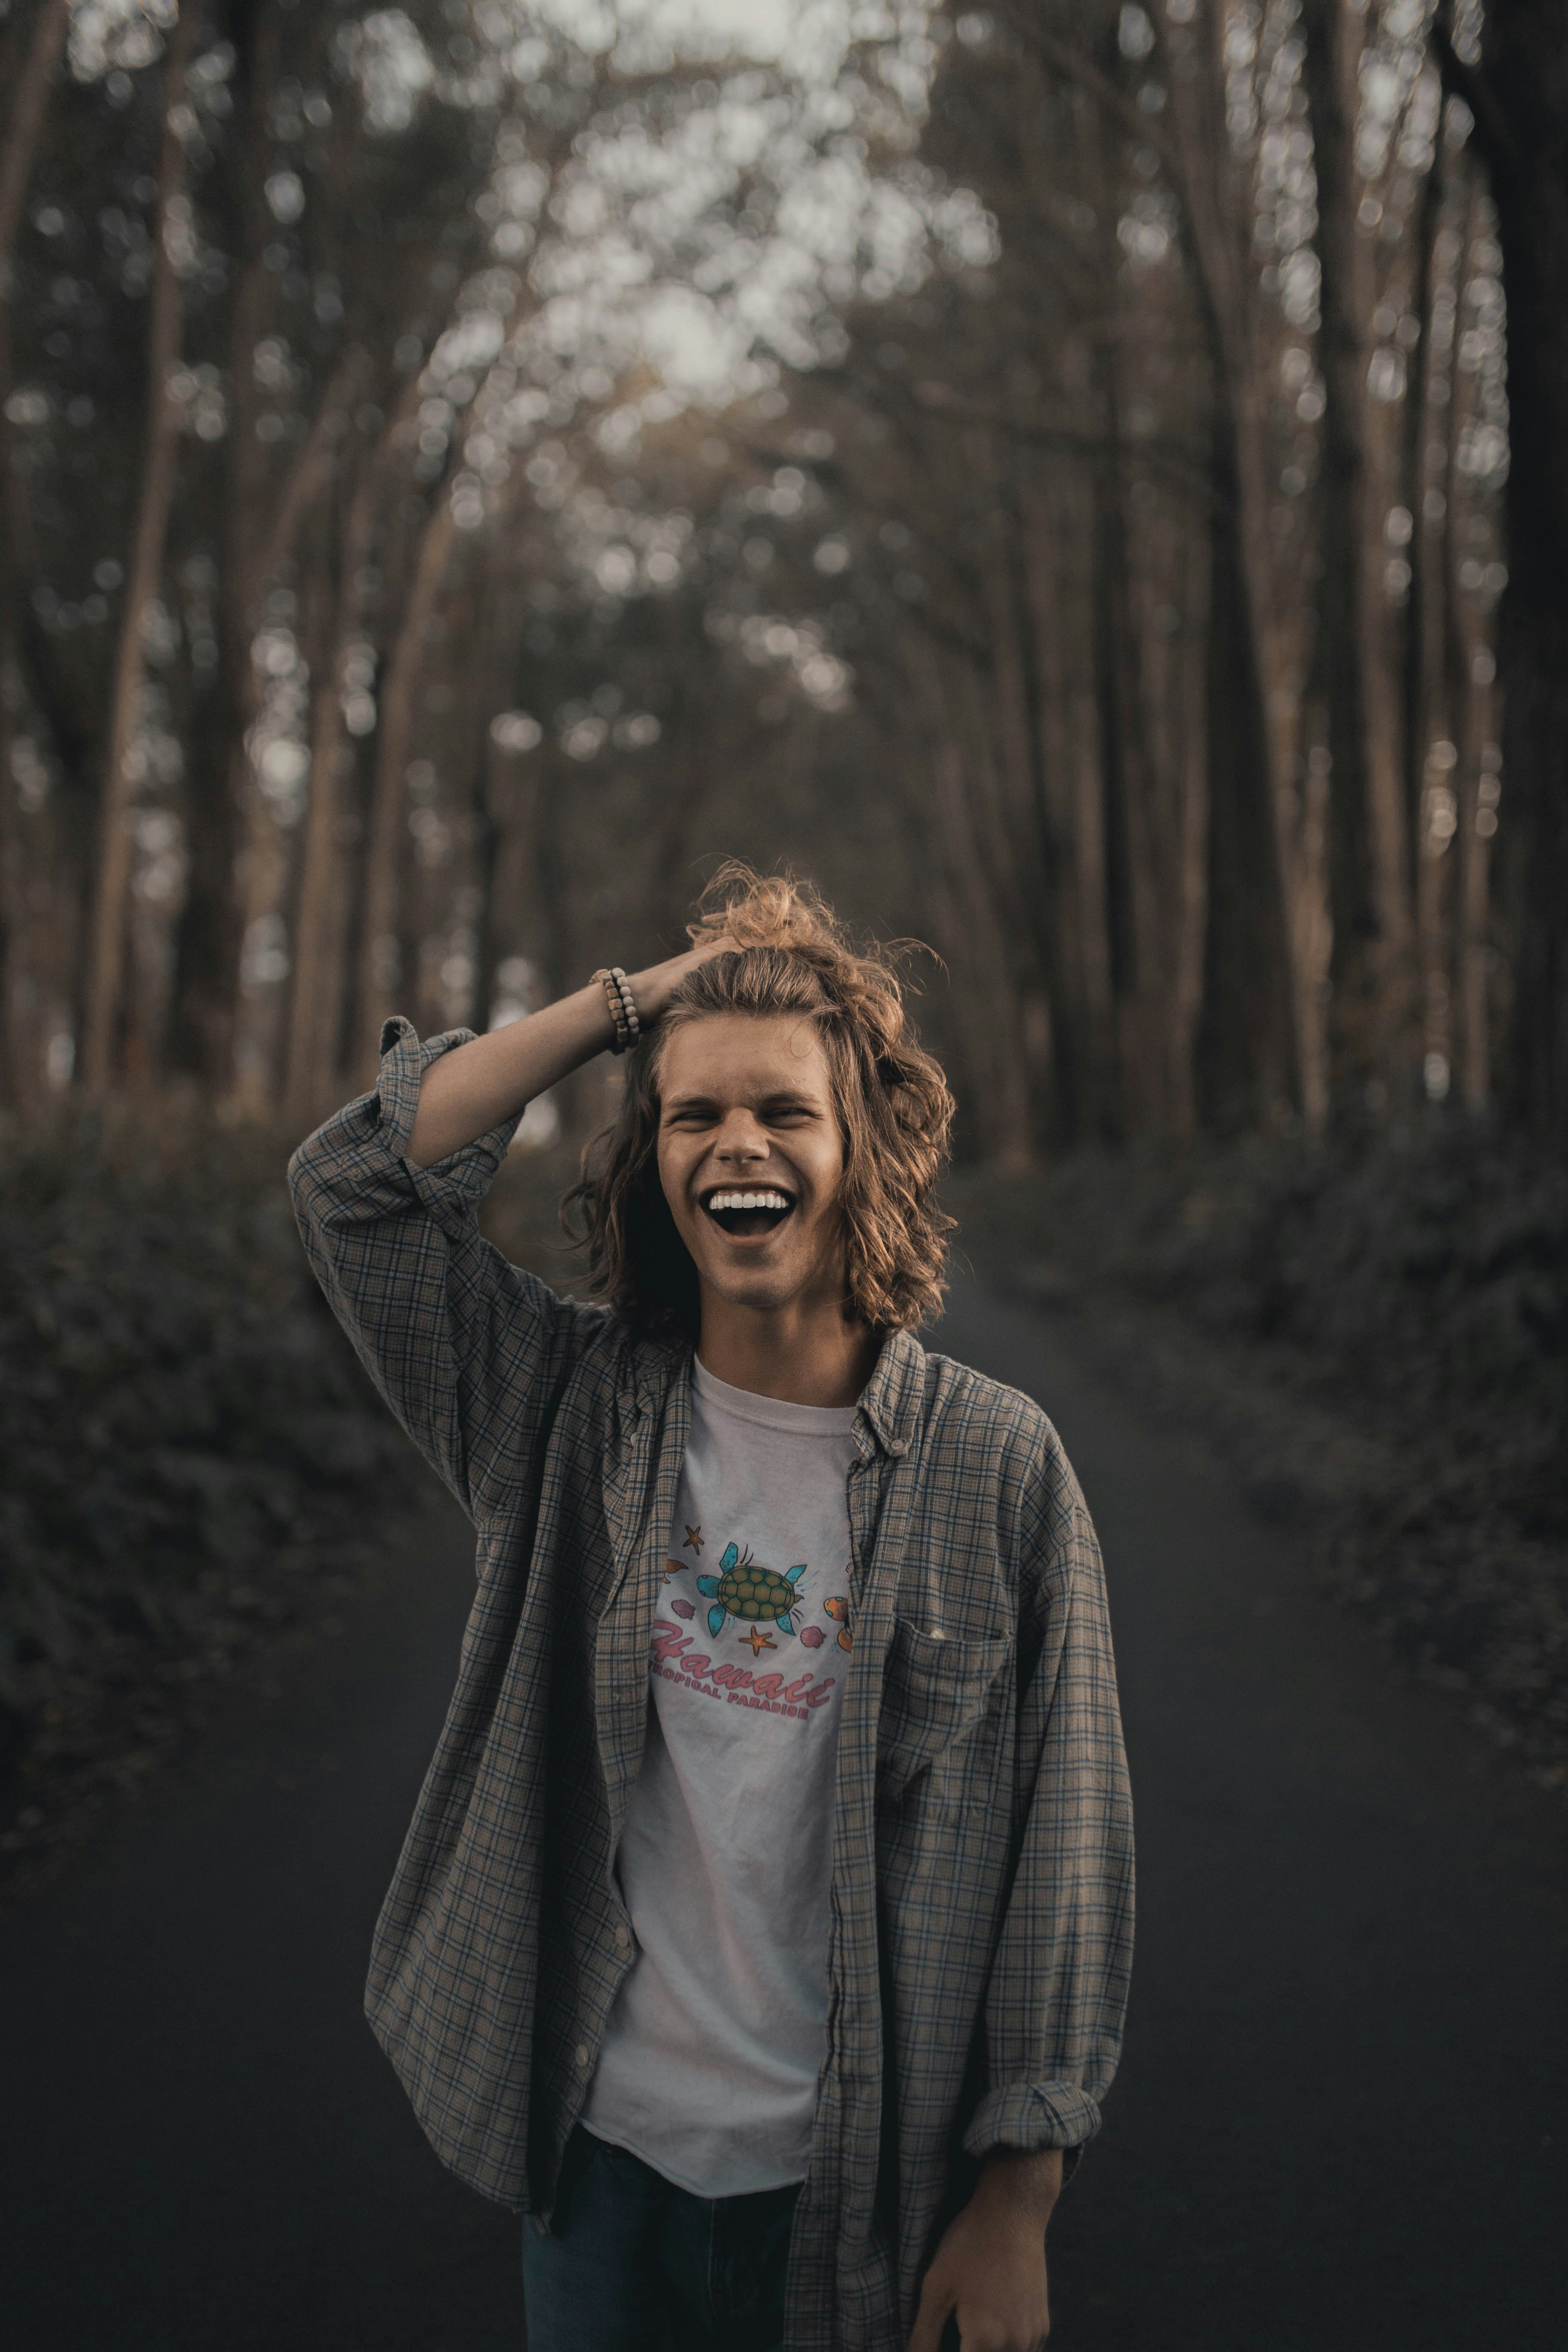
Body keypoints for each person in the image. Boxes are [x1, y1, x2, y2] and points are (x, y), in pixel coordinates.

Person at [289, 867, 1133, 2352]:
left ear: (858, 1147)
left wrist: (1018, 2203)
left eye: (786, 1112)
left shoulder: (999, 1468)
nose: (740, 1143)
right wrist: (638, 1003)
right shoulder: (555, 1409)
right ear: (654, 1164)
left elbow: (1066, 1844)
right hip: (606, 2178)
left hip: (874, 2189)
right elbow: (352, 1186)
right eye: (697, 1116)